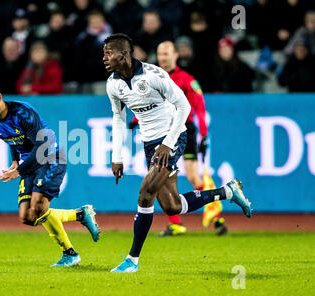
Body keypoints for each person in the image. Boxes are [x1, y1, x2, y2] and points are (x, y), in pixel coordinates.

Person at [103, 34, 253, 273]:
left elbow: (184, 106)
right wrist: (117, 157)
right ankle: (227, 191)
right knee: (172, 206)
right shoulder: (113, 83)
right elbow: (119, 118)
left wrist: (168, 143)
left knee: (145, 194)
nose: (104, 58)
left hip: (173, 136)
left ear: (124, 54)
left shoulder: (154, 75)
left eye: (109, 53)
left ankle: (132, 260)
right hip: (151, 143)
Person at [0, 82, 100, 267]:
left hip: (51, 156)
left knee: (39, 206)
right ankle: (80, 215)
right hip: (30, 161)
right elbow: (12, 140)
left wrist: (19, 171)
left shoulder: (23, 113)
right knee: (27, 216)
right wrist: (16, 160)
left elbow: (42, 146)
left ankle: (69, 253)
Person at [130, 41, 227, 236]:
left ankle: (216, 216)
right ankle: (176, 223)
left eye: (166, 54)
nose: (163, 58)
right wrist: (134, 119)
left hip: (184, 131)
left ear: (175, 55)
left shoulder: (186, 80)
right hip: (160, 132)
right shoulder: (150, 78)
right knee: (156, 179)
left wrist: (205, 135)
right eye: (160, 54)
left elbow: (199, 108)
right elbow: (148, 105)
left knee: (192, 177)